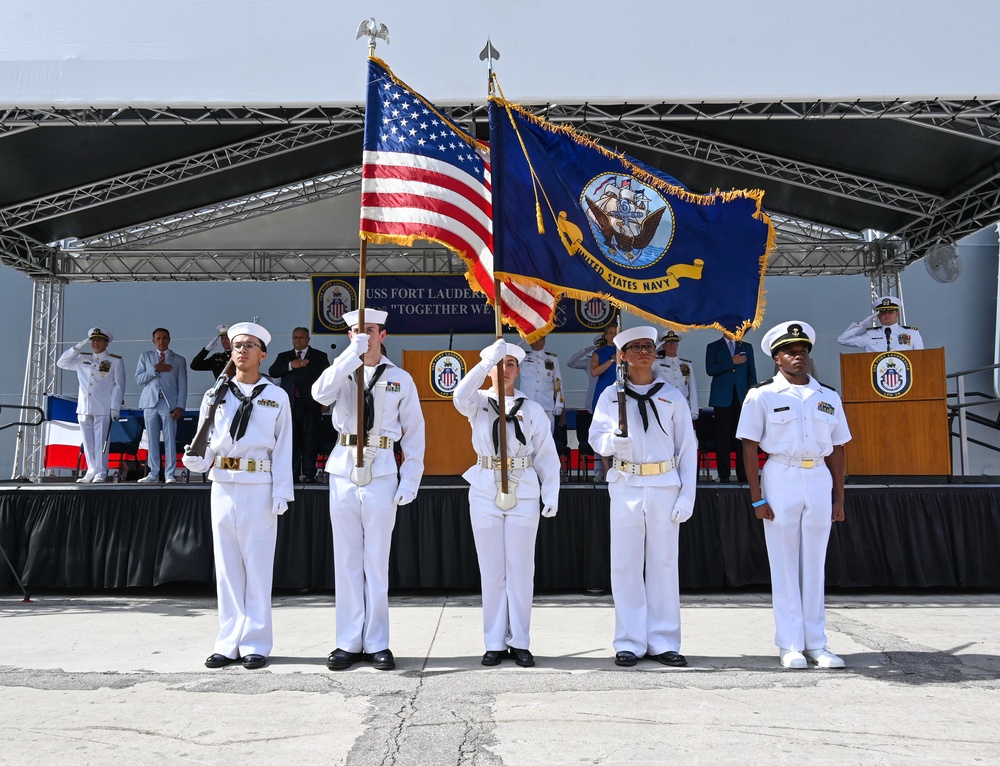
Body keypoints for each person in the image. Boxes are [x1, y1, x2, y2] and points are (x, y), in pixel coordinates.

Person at [311, 308, 426, 672]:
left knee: (376, 561)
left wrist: (411, 478)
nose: (365, 336)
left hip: (381, 467)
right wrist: (348, 358)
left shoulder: (400, 378)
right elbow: (319, 395)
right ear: (350, 336)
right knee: (346, 560)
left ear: (383, 335)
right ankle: (347, 641)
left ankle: (377, 642)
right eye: (358, 331)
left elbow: (416, 432)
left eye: (371, 330)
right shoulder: (341, 371)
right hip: (344, 465)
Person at [736, 321, 851, 670]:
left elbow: (838, 450)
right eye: (789, 352)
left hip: (817, 475)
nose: (797, 357)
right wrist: (757, 498)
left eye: (802, 351)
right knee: (784, 563)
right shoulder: (762, 395)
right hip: (780, 473)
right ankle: (790, 644)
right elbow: (749, 446)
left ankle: (817, 643)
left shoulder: (827, 396)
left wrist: (839, 499)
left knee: (815, 564)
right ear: (776, 358)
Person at [181, 321, 293, 670]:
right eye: (236, 345)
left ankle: (256, 642)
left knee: (257, 569)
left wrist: (281, 491)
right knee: (227, 568)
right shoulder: (216, 394)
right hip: (224, 483)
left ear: (263, 354)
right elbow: (205, 441)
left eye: (249, 346)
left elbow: (284, 448)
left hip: (259, 484)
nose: (241, 351)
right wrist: (195, 459)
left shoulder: (276, 397)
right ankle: (228, 641)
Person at [588, 326, 698, 669]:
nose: (644, 352)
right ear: (622, 355)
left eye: (648, 346)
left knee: (664, 564)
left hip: (665, 483)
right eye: (635, 347)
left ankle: (664, 640)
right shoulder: (611, 395)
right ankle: (630, 640)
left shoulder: (671, 395)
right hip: (626, 482)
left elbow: (688, 448)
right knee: (626, 565)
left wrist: (688, 495)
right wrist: (613, 444)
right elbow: (596, 437)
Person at [453, 339, 561, 668]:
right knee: (492, 570)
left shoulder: (531, 409)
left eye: (510, 365)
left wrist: (550, 492)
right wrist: (486, 362)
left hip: (523, 486)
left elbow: (546, 455)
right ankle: (494, 641)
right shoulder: (479, 402)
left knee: (520, 569)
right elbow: (458, 395)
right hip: (486, 484)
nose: (505, 371)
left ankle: (521, 641)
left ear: (518, 370)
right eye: (501, 365)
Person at [56, 327, 126, 483]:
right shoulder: (81, 358)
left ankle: (101, 472)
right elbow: (61, 363)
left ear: (106, 343)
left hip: (103, 406)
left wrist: (115, 406)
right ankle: (91, 470)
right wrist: (76, 348)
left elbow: (118, 385)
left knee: (101, 441)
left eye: (99, 340)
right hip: (84, 406)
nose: (95, 342)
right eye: (93, 340)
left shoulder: (115, 361)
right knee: (88, 442)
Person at [268, 327, 330, 483]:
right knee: (291, 440)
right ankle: (293, 474)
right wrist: (291, 365)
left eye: (301, 337)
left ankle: (309, 473)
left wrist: (326, 401)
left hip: (311, 404)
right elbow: (273, 371)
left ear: (308, 339)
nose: (298, 340)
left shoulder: (319, 356)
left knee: (310, 438)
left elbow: (327, 380)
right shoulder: (284, 357)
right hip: (290, 405)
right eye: (295, 337)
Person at [135, 328, 188, 484]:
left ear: (169, 339)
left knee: (170, 438)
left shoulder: (178, 359)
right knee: (152, 439)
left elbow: (183, 384)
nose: (161, 341)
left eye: (164, 338)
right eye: (158, 338)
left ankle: (170, 473)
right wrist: (154, 369)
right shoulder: (145, 357)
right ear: (153, 340)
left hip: (169, 403)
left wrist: (180, 406)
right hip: (150, 402)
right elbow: (138, 379)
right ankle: (154, 472)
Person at [705, 333, 757, 482]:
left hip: (742, 398)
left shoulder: (746, 347)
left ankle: (743, 474)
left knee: (742, 437)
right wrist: (731, 361)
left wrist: (753, 396)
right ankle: (723, 475)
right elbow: (710, 370)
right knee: (723, 438)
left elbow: (751, 373)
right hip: (722, 398)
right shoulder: (713, 346)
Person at [837, 295, 925, 352]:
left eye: (890, 312)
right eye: (883, 312)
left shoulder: (912, 333)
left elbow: (921, 357)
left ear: (897, 313)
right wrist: (861, 325)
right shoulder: (870, 334)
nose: (887, 315)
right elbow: (843, 340)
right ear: (878, 316)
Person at [589, 324, 620, 481]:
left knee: (620, 429)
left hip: (621, 394)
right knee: (603, 430)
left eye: (616, 333)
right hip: (603, 393)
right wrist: (611, 360)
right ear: (606, 335)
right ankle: (606, 469)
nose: (613, 335)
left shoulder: (624, 352)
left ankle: (618, 467)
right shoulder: (598, 353)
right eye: (611, 333)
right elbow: (594, 372)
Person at [517, 336, 565, 430]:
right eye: (534, 339)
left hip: (546, 405)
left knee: (546, 437)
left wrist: (559, 404)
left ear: (544, 341)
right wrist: (525, 338)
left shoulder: (552, 359)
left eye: (540, 339)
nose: (537, 342)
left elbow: (558, 382)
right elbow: (508, 351)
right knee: (526, 436)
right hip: (527, 404)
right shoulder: (523, 357)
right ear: (529, 342)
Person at [655, 330, 699, 420]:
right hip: (663, 406)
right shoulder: (656, 363)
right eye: (668, 342)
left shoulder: (686, 365)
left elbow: (692, 389)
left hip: (683, 407)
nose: (672, 345)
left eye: (674, 342)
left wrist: (694, 411)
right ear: (663, 345)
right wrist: (656, 348)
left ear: (677, 345)